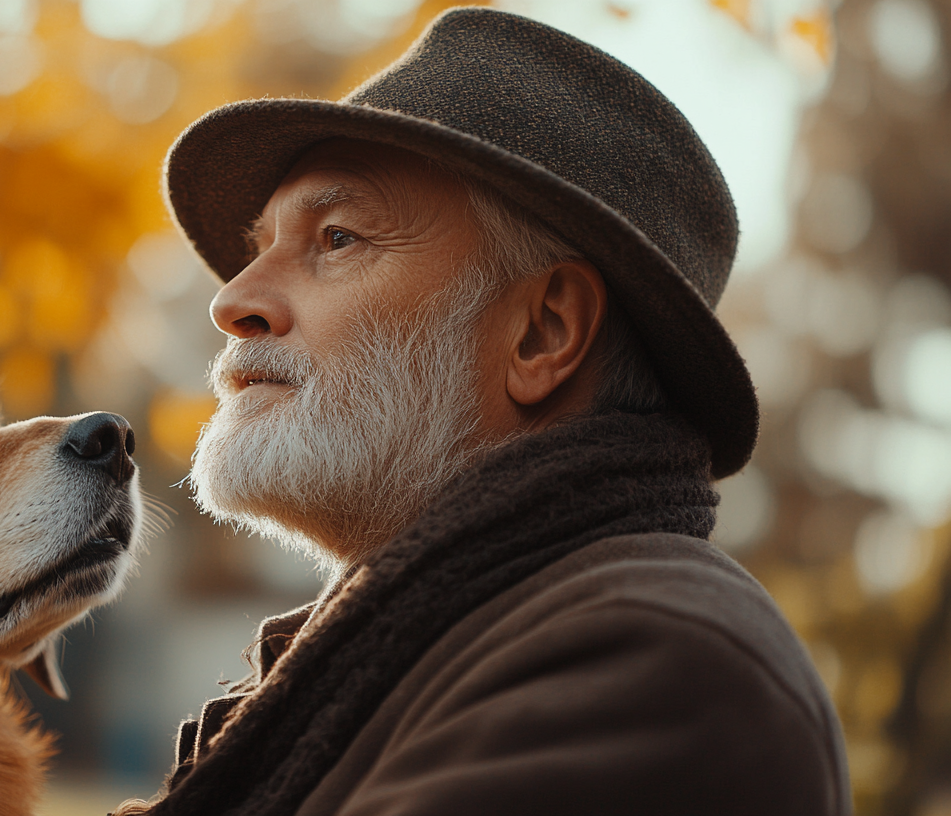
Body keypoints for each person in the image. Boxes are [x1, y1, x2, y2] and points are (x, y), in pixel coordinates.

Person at [115, 7, 849, 816]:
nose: (233, 300)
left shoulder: (658, 662)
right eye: (260, 249)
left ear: (542, 332)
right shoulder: (447, 635)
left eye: (337, 238)